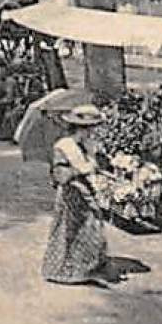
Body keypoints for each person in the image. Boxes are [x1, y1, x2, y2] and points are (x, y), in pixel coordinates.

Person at [42, 104, 112, 288]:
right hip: (71, 191)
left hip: (85, 188)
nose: (91, 133)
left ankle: (86, 268)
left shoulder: (86, 146)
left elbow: (96, 164)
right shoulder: (63, 147)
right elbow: (60, 174)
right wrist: (80, 170)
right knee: (71, 230)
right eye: (88, 129)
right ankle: (65, 270)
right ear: (79, 128)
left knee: (90, 226)